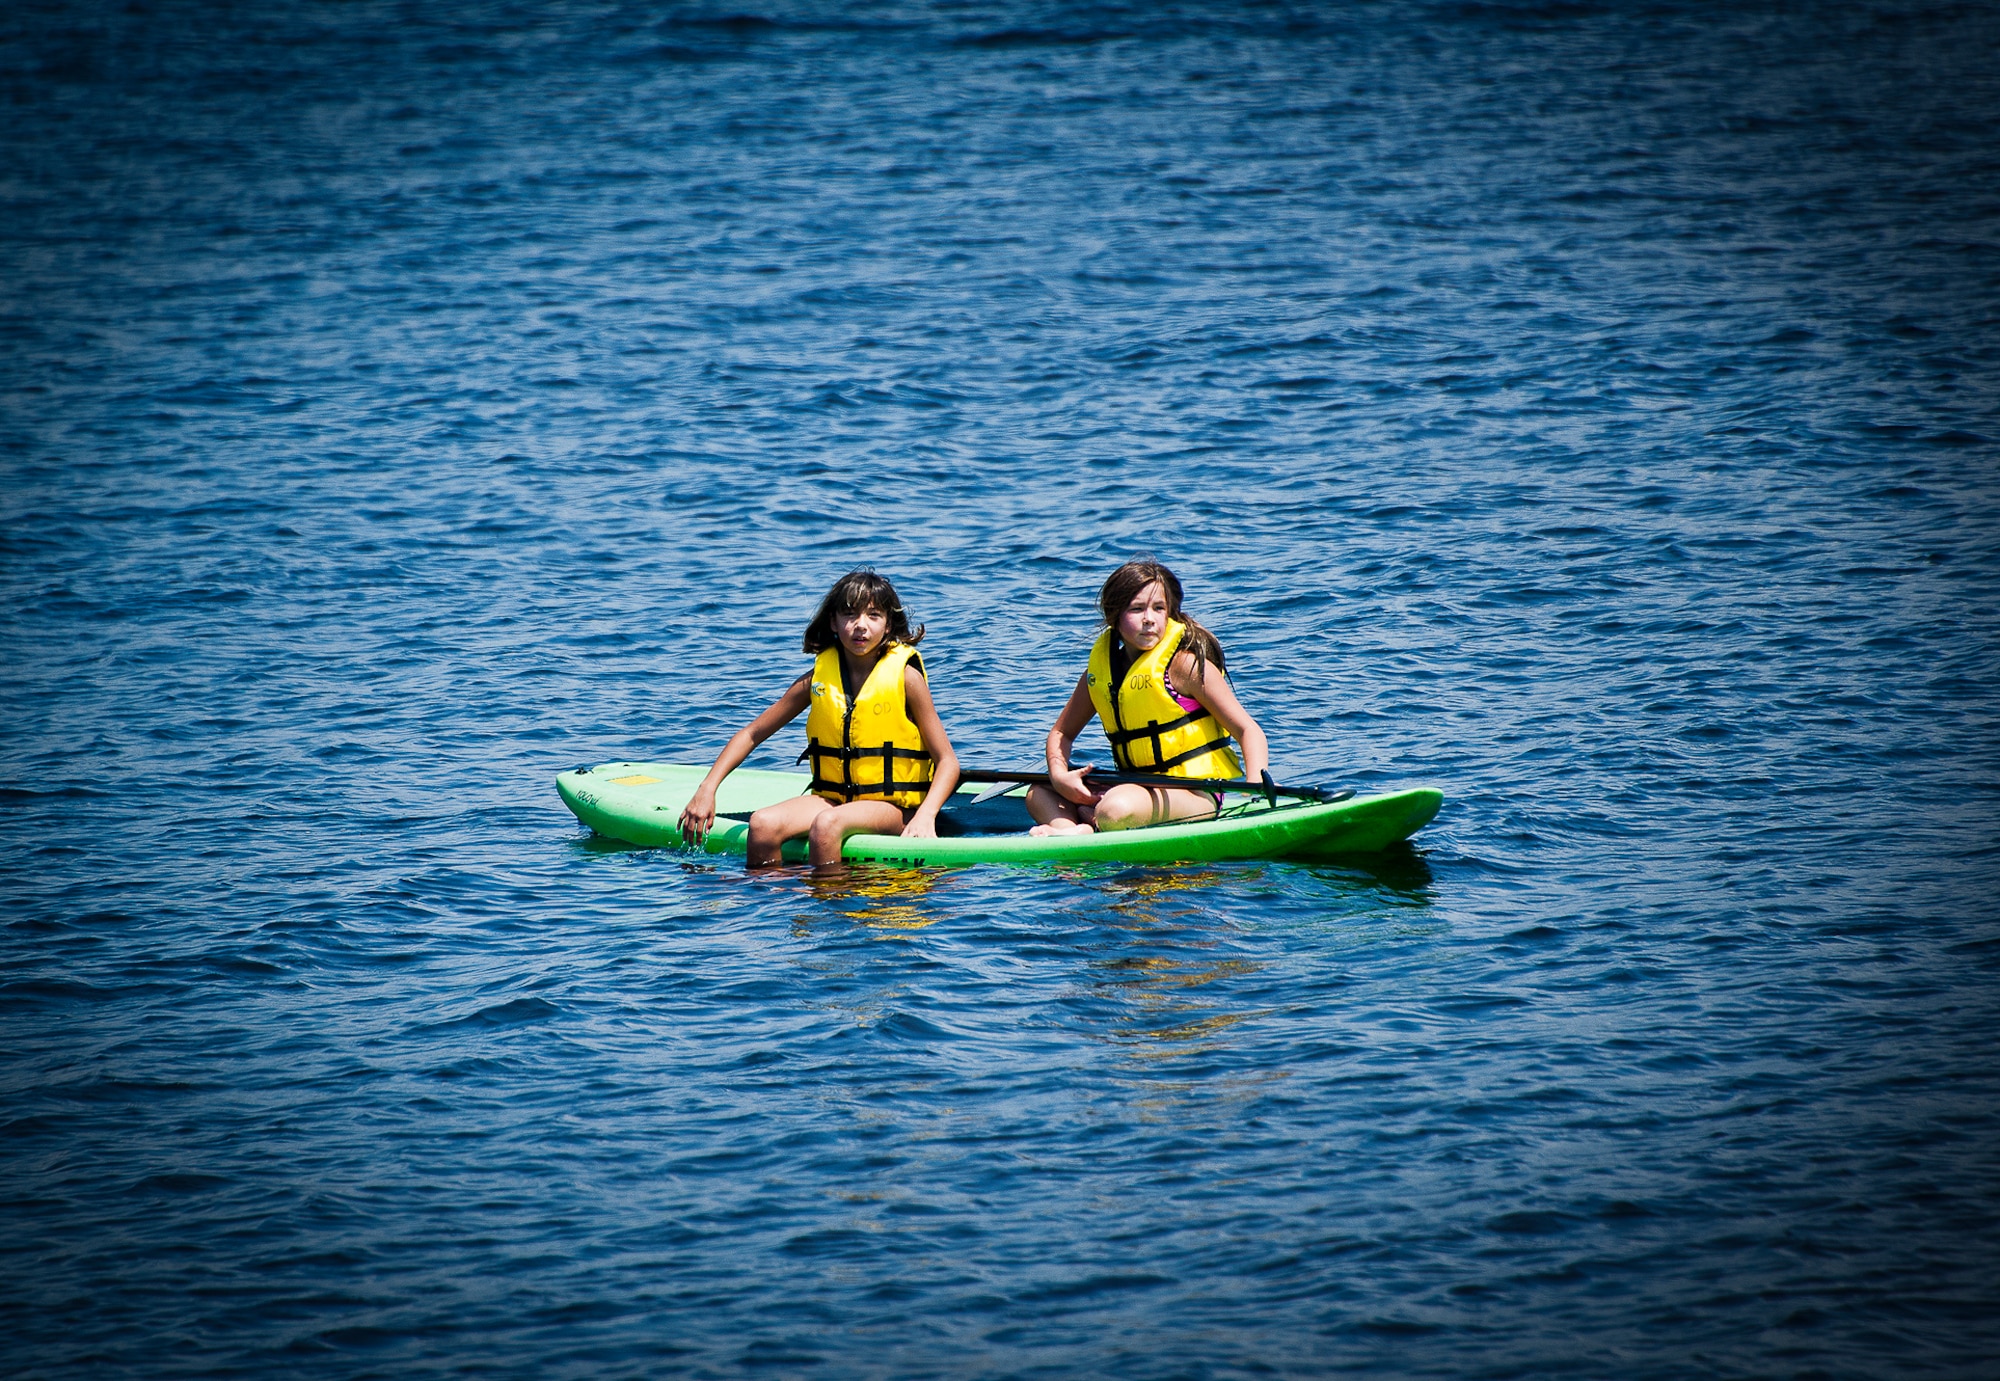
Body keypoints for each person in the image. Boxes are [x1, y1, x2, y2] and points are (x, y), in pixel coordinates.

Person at [679, 570, 960, 867]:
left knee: (826, 825)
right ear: (833, 622)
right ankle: (770, 907)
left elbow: (947, 762)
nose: (861, 626)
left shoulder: (906, 678)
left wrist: (925, 817)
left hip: (892, 808)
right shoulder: (818, 679)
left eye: (874, 615)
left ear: (888, 625)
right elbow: (752, 734)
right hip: (832, 799)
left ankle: (829, 907)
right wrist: (707, 789)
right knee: (761, 824)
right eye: (849, 615)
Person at [1027, 560, 1268, 836]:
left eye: (1159, 608)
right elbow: (1061, 733)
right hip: (1137, 787)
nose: (1149, 619)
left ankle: (1096, 819)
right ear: (1114, 617)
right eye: (1137, 609)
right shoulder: (1100, 674)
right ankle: (1068, 829)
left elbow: (1249, 731)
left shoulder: (1185, 666)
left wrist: (1254, 794)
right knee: (1039, 791)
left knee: (1114, 809)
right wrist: (1060, 778)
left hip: (1197, 793)